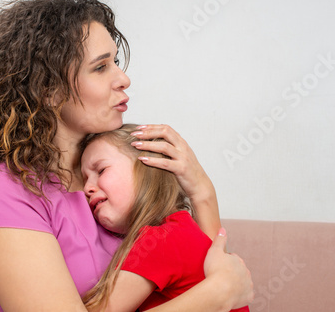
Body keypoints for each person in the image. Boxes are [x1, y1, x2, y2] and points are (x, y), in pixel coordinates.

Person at [0, 0, 253, 312]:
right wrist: (219, 293)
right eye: (101, 67)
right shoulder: (6, 189)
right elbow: (217, 288)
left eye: (115, 62)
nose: (123, 79)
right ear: (48, 89)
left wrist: (201, 188)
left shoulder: (119, 172)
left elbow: (192, 265)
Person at [80, 124, 250, 312]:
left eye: (101, 170)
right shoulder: (183, 230)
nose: (87, 188)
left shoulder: (160, 239)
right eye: (84, 179)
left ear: (146, 167)